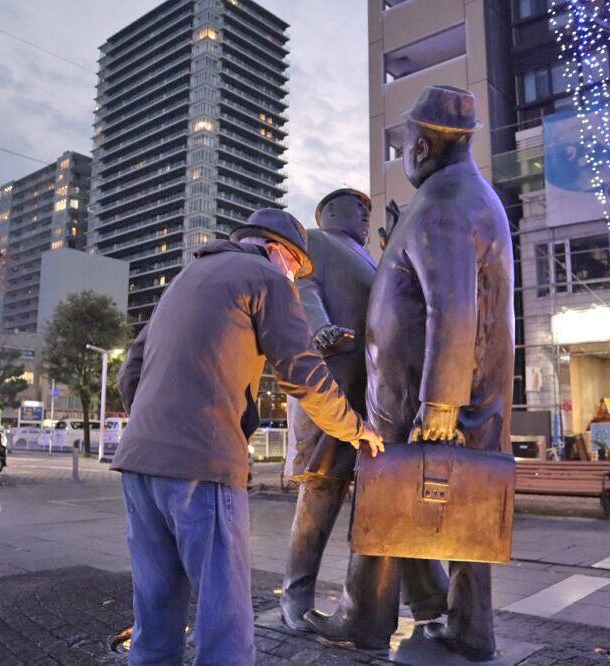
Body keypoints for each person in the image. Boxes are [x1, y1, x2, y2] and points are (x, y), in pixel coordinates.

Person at [111, 208, 384, 665]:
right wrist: (355, 429)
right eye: (298, 268)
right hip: (202, 465)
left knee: (155, 614)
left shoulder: (186, 277)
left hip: (138, 464)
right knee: (224, 622)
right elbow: (301, 371)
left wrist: (155, 423)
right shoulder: (267, 278)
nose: (296, 280)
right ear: (278, 252)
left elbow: (129, 372)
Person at [305, 86, 515, 660]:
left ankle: (367, 618)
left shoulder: (445, 202)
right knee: (446, 506)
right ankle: (462, 625)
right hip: (445, 390)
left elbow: (453, 307)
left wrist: (440, 404)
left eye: (404, 145)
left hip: (425, 394)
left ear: (421, 146)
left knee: (386, 498)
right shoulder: (466, 196)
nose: (403, 155)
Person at [280, 189, 446, 632]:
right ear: (330, 210)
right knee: (321, 492)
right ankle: (296, 594)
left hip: (375, 393)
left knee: (388, 495)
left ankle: (427, 600)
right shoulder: (316, 240)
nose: (364, 215)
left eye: (367, 210)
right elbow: (302, 287)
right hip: (328, 385)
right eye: (357, 207)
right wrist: (320, 330)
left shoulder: (372, 258)